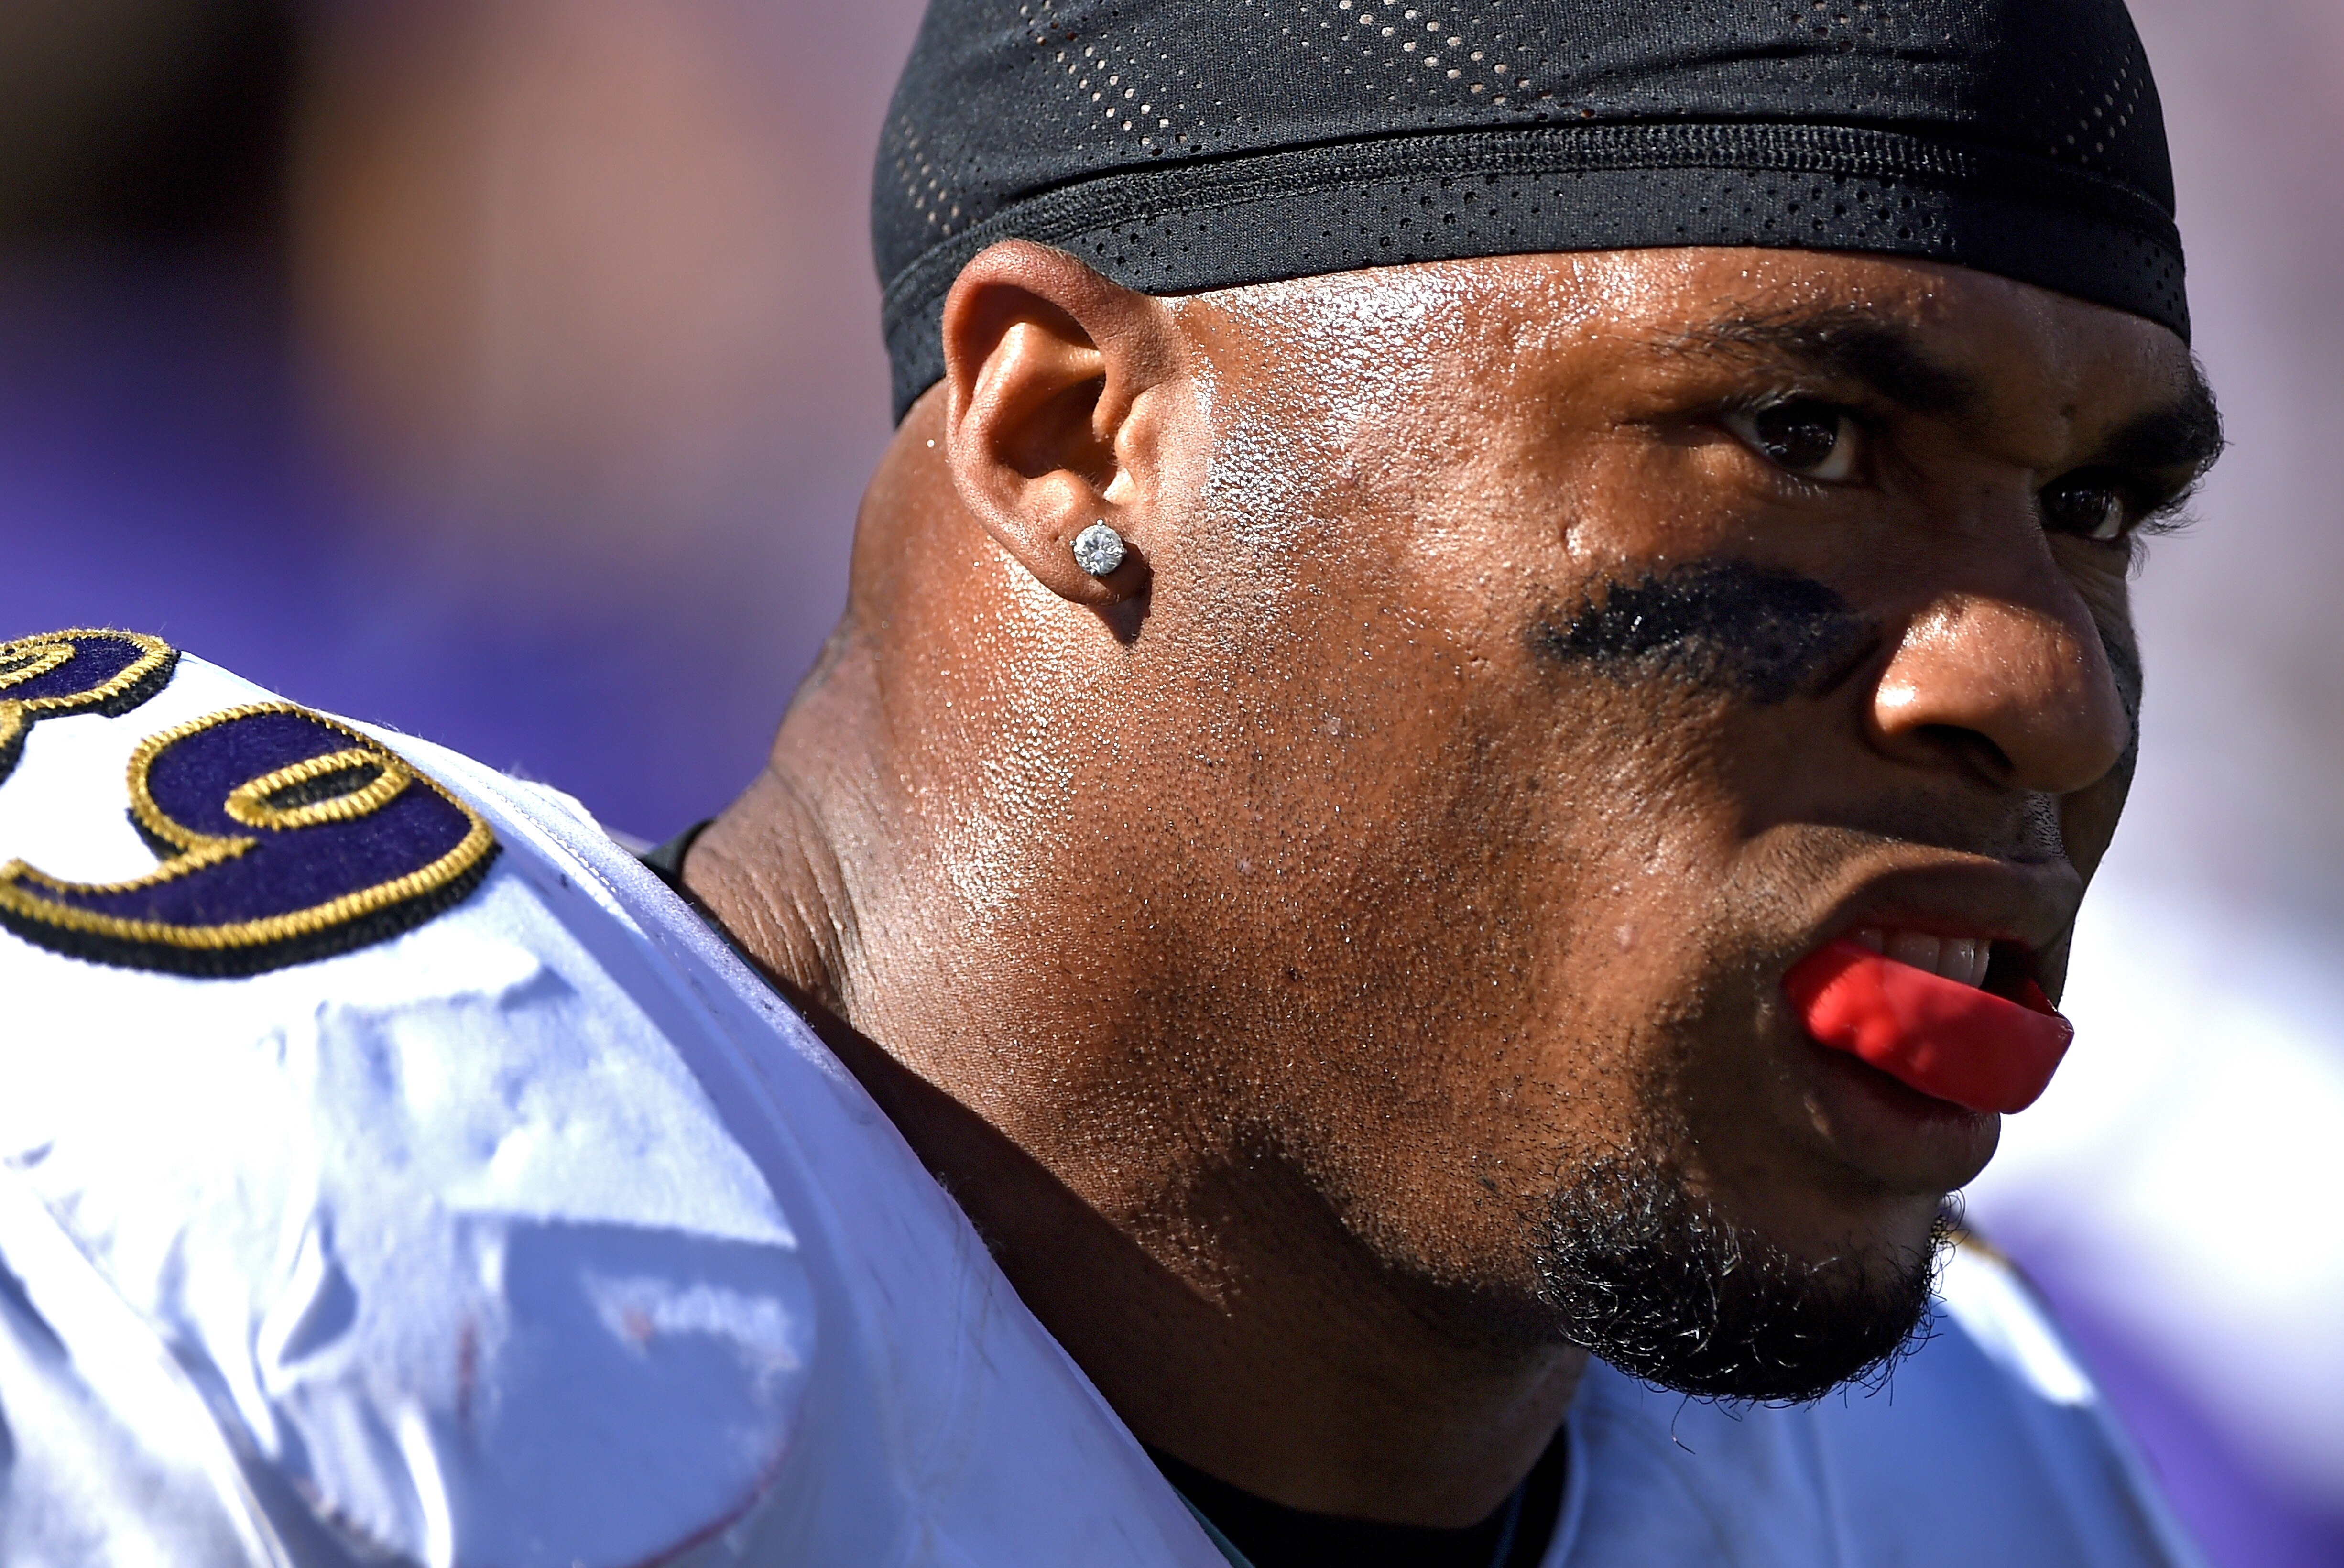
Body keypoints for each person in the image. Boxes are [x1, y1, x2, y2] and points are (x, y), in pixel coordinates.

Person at [0, 0, 2224, 1562]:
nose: (2042, 681)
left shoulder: (1961, 1475)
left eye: (2096, 515)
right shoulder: (297, 1243)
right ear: (1072, 430)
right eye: (1795, 437)